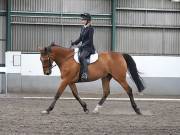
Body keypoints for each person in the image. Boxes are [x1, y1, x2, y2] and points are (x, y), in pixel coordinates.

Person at [71, 13, 96, 81]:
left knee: (81, 57)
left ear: (88, 20)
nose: (82, 20)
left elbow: (90, 40)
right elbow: (80, 38)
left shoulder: (91, 29)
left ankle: (85, 73)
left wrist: (82, 45)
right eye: (82, 19)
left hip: (89, 48)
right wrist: (74, 43)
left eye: (84, 19)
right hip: (83, 47)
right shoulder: (82, 28)